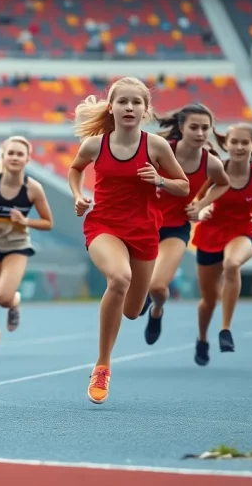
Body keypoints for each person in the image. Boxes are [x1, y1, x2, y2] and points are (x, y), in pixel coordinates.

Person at [68, 80, 189, 405]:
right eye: (123, 102)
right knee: (119, 278)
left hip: (144, 231)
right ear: (112, 107)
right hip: (104, 226)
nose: (130, 107)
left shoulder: (157, 147)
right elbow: (75, 169)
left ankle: (151, 307)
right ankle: (102, 366)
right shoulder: (95, 145)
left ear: (145, 110)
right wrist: (78, 195)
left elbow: (183, 186)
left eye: (137, 102)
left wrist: (161, 180)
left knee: (134, 311)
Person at [191, 123, 252, 366]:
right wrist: (206, 208)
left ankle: (225, 330)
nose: (240, 147)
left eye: (245, 142)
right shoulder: (215, 170)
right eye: (235, 142)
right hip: (211, 233)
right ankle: (202, 339)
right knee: (208, 300)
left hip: (243, 230)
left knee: (232, 265)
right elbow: (198, 199)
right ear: (226, 144)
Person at [140, 104, 231, 346]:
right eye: (194, 127)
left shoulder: (211, 163)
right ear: (181, 128)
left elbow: (223, 184)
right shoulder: (159, 151)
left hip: (175, 229)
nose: (200, 133)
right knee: (131, 289)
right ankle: (141, 300)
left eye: (205, 128)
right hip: (142, 225)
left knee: (158, 287)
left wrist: (202, 205)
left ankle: (156, 311)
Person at [0, 136, 54, 358]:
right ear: (3, 157)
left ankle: (14, 303)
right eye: (10, 153)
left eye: (19, 154)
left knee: (3, 298)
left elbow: (48, 222)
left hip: (17, 247)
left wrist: (26, 222)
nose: (14, 157)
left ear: (27, 159)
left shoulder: (33, 189)